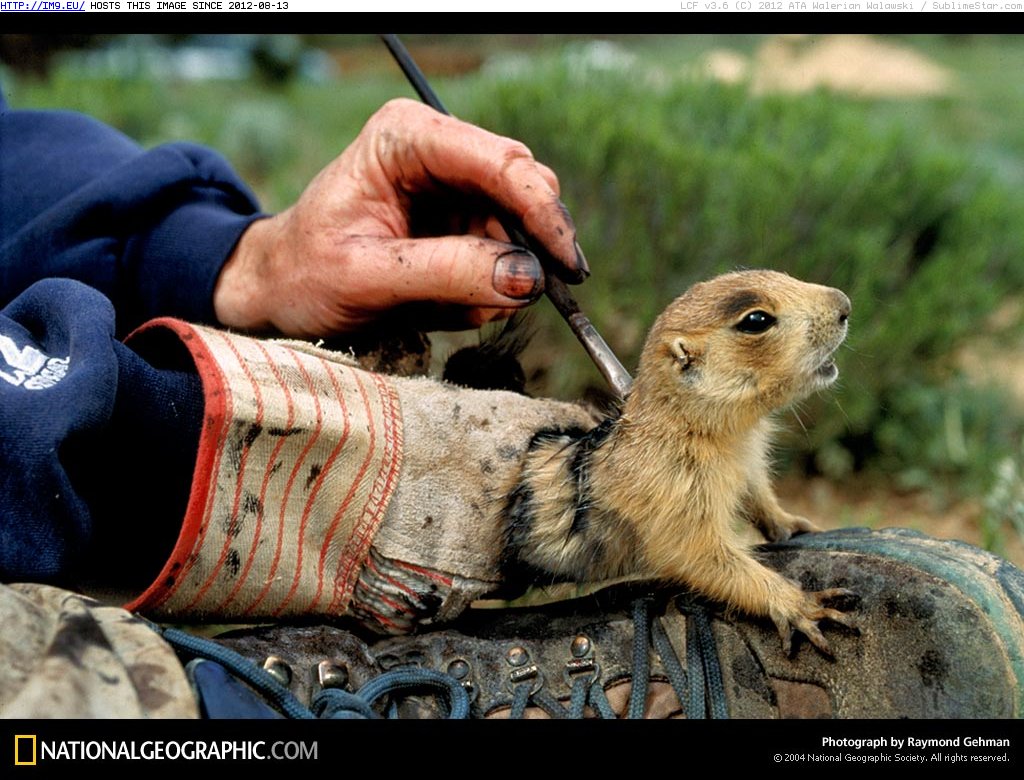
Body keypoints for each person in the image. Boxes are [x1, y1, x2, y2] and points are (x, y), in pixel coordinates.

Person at [3, 89, 1023, 722]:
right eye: (760, 323)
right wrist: (783, 596)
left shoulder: (721, 431)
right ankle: (213, 699)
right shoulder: (661, 454)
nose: (824, 315)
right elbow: (691, 550)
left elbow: (736, 493)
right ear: (683, 365)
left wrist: (223, 254)